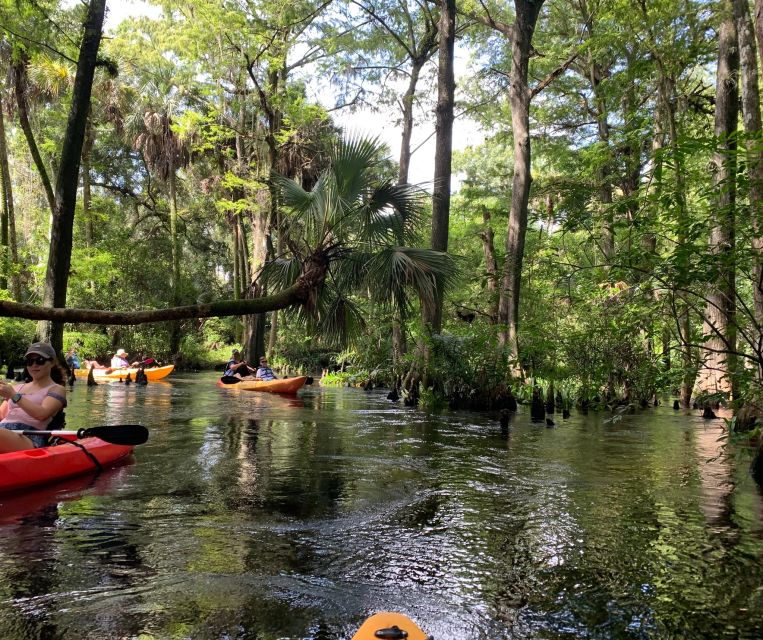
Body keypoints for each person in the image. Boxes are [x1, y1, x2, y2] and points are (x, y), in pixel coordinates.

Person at [0, 342, 67, 453]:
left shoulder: (57, 389)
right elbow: (1, 415)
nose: (34, 365)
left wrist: (13, 395)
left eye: (40, 361)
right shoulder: (17, 388)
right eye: (30, 362)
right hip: (4, 430)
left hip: (30, 437)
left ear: (52, 362)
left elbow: (42, 414)